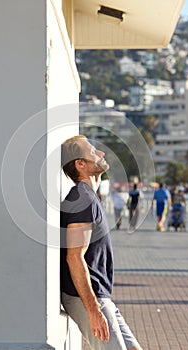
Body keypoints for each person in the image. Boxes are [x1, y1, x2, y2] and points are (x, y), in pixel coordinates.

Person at [60, 135, 143, 350]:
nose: (101, 153)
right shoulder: (82, 199)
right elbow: (74, 256)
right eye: (94, 151)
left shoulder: (89, 197)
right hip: (87, 298)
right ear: (80, 164)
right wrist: (93, 309)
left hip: (100, 296)